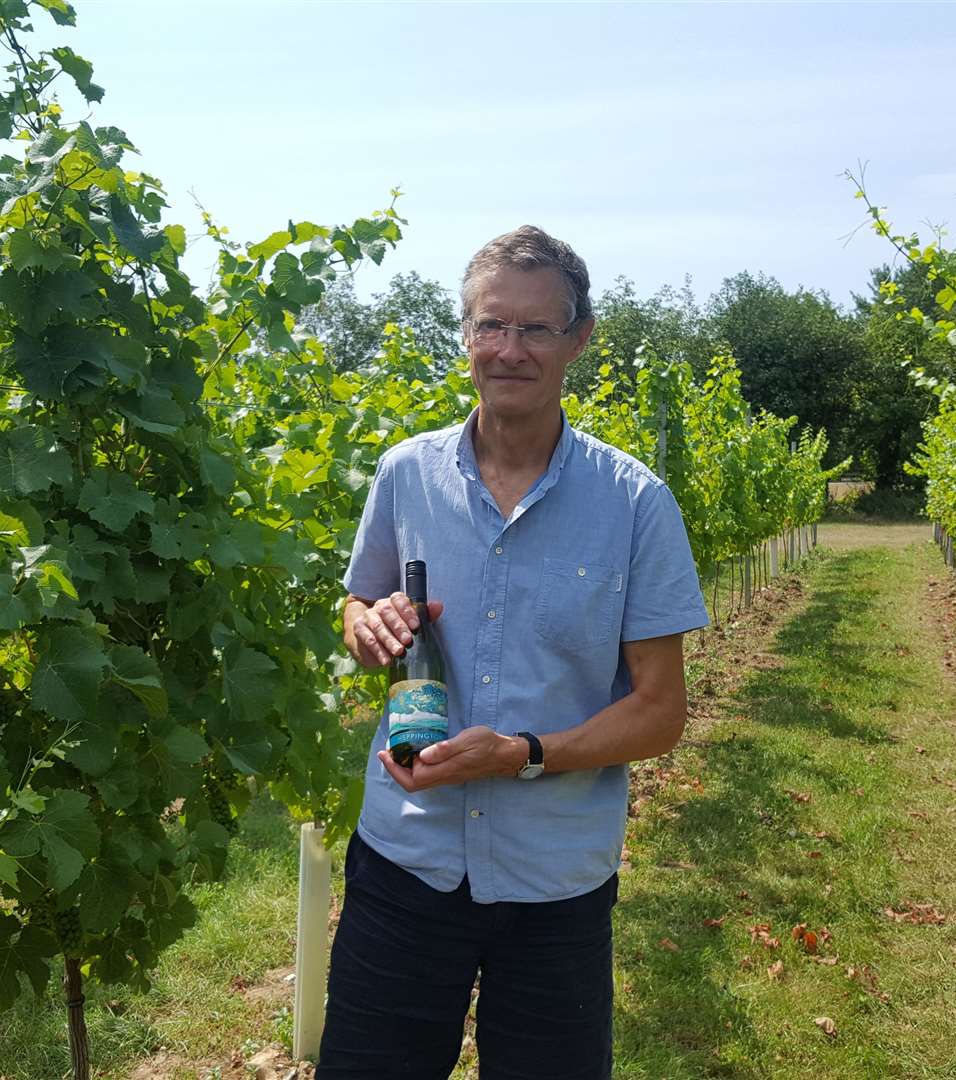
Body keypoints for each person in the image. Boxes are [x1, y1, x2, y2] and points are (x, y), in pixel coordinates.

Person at [318, 225, 709, 1079]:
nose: (510, 350)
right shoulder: (405, 475)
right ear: (465, 336)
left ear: (579, 340)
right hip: (405, 857)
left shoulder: (635, 504)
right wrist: (366, 626)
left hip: (555, 881)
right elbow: (359, 605)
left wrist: (521, 755)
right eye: (492, 326)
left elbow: (660, 712)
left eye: (537, 329)